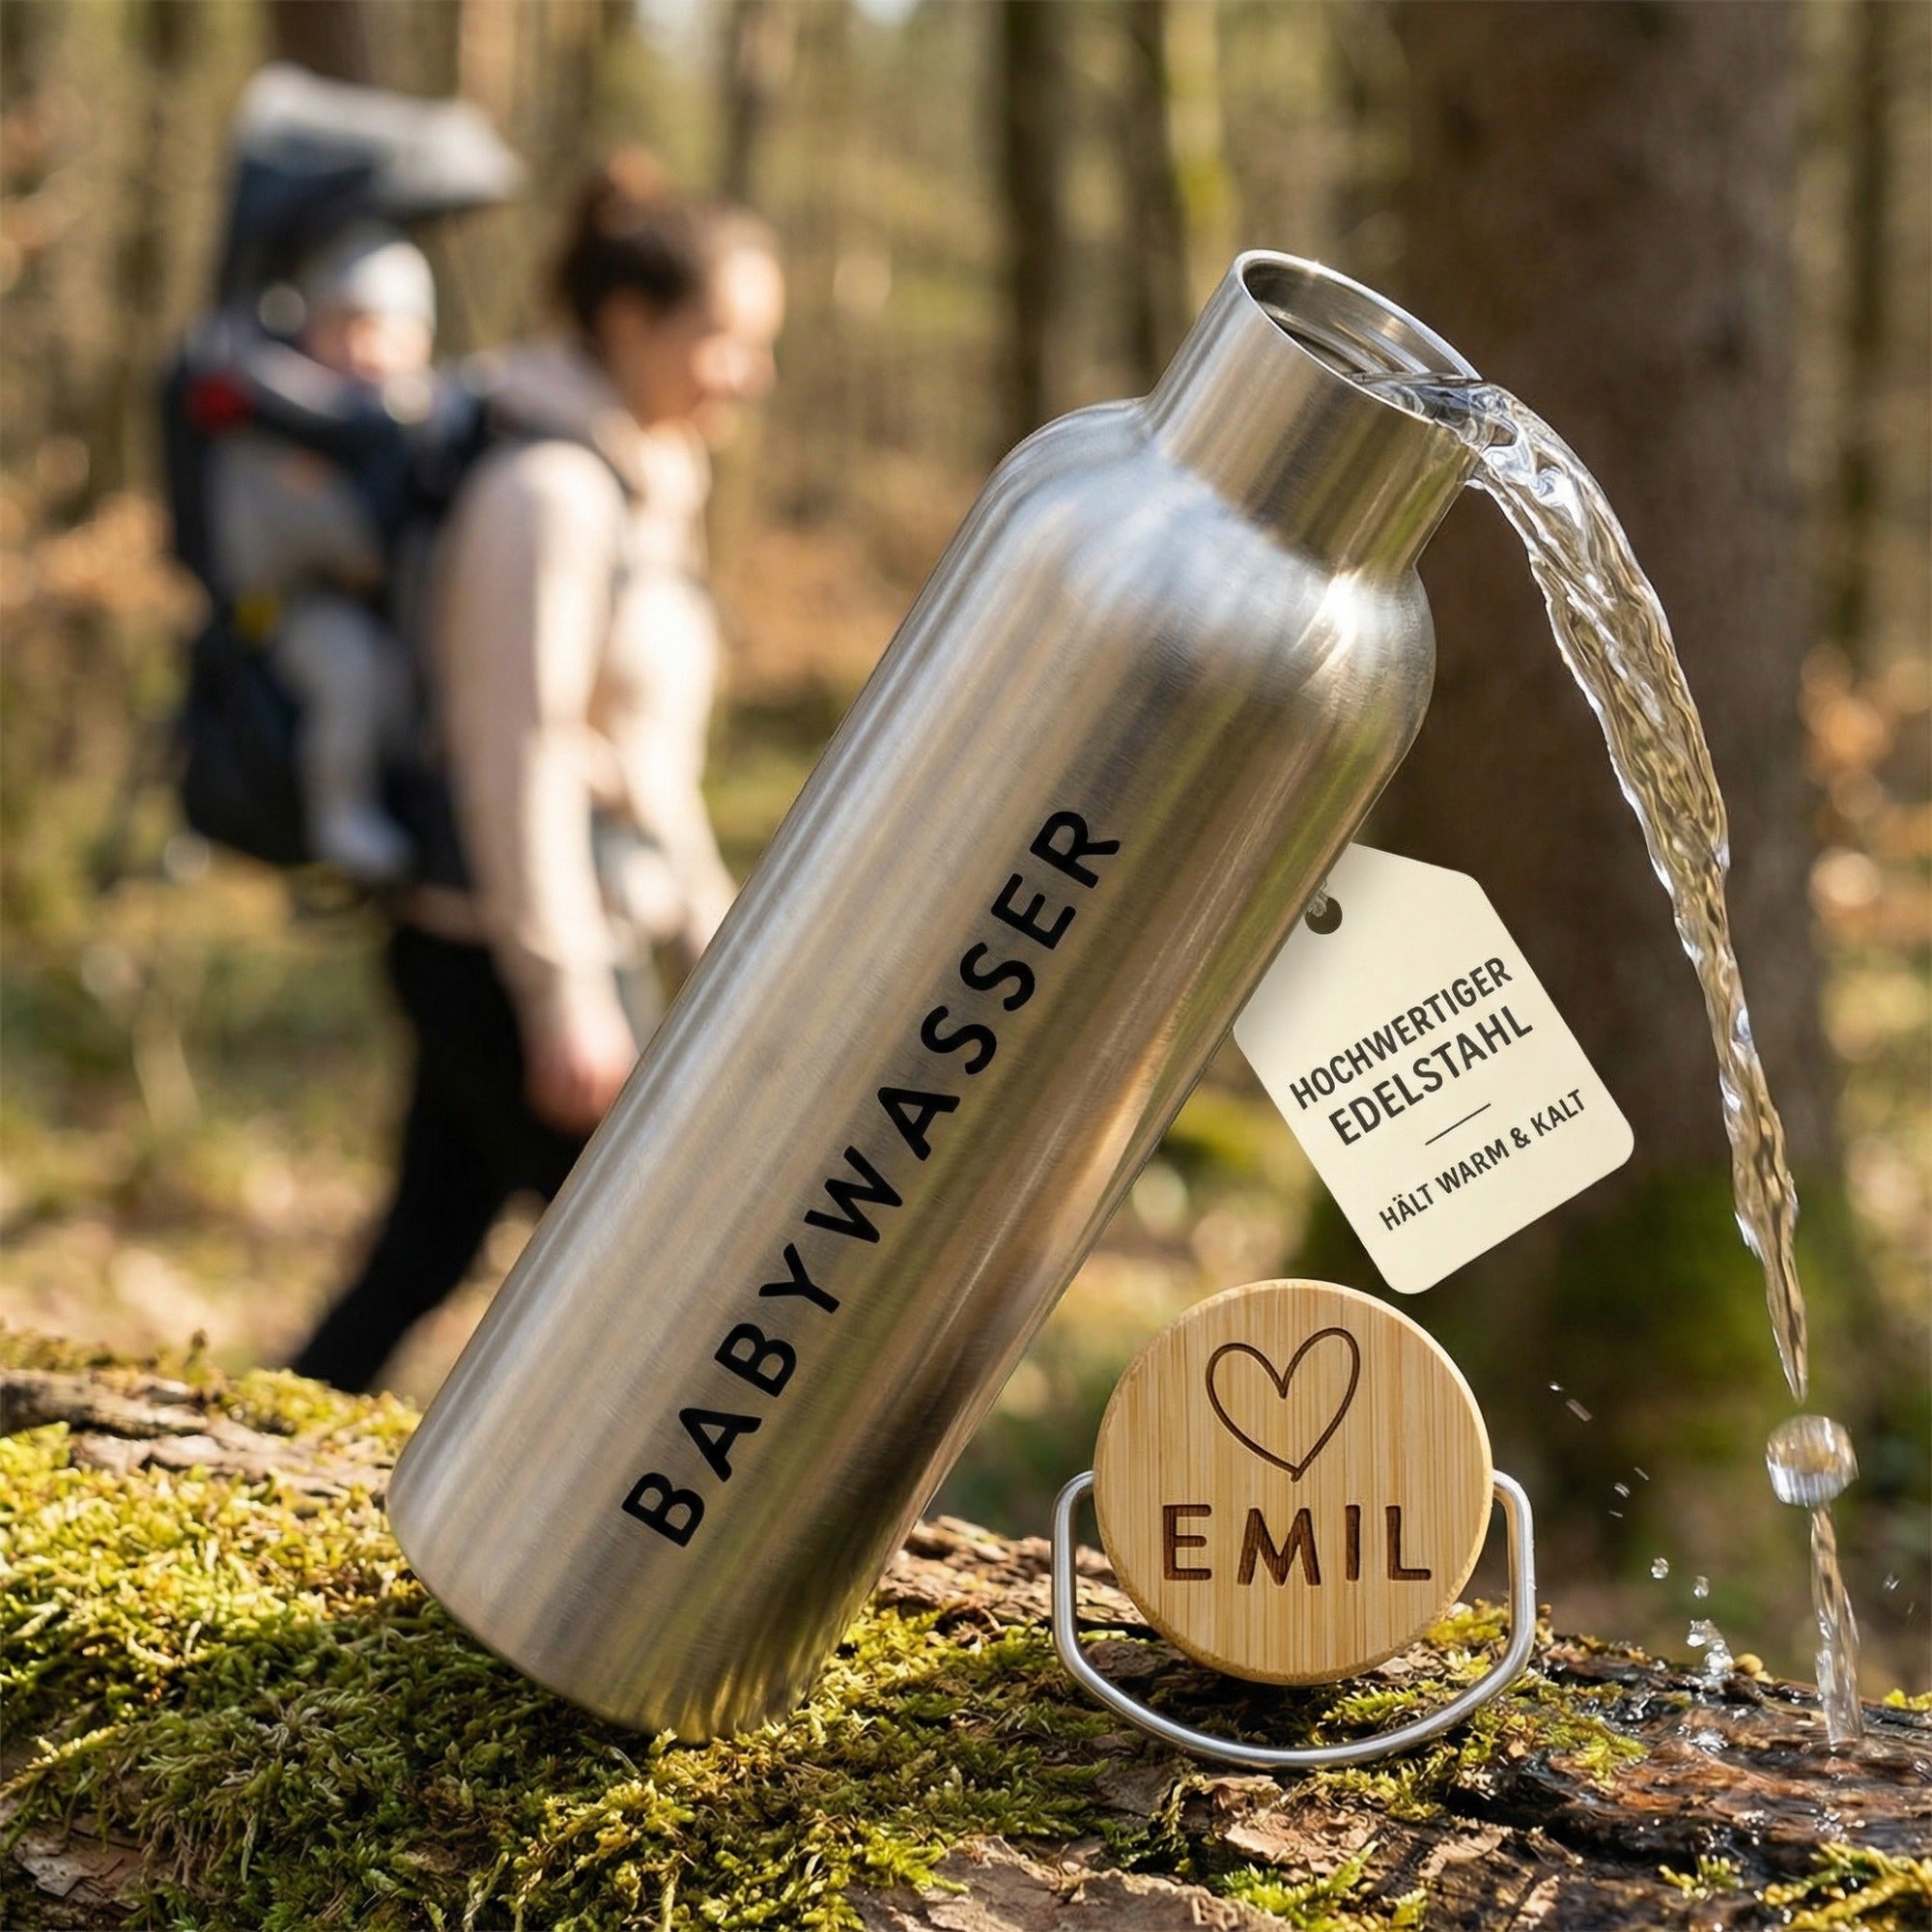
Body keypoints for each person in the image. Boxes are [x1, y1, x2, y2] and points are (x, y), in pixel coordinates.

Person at [291, 155, 784, 1391]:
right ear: (629, 321)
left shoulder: (639, 487)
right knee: (663, 1273)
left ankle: (255, 1455)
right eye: (726, 337)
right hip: (501, 951)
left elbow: (640, 764)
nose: (751, 374)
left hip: (536, 936)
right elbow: (514, 748)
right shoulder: (546, 494)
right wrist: (563, 988)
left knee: (424, 1249)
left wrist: (714, 934)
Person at [210, 224, 439, 881]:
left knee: (396, 689)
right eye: (347, 328)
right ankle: (341, 810)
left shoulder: (422, 417)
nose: (368, 350)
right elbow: (271, 536)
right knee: (351, 675)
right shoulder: (273, 414)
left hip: (397, 610)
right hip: (297, 606)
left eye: (388, 330)